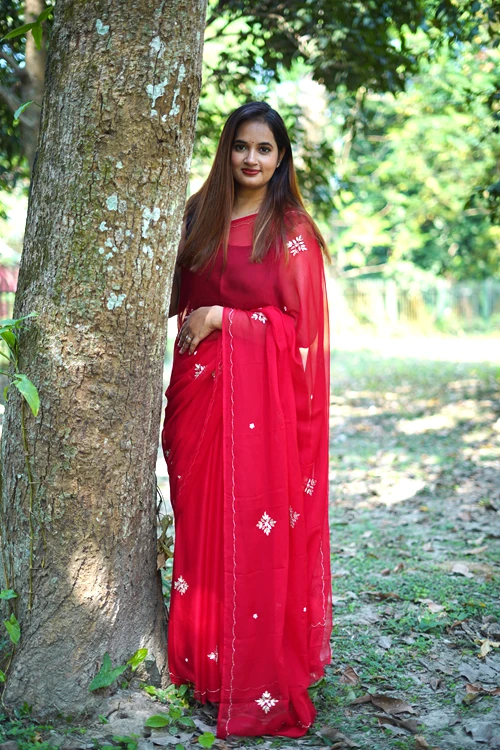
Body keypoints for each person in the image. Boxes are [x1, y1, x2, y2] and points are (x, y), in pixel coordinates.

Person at [161, 101, 332, 739]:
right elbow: (161, 293)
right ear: (226, 150)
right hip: (197, 400)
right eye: (241, 146)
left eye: (264, 148)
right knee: (201, 524)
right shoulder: (197, 214)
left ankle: (252, 670)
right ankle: (203, 666)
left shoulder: (290, 231)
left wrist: (220, 320)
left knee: (253, 530)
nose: (251, 159)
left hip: (261, 412)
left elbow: (302, 331)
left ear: (281, 158)